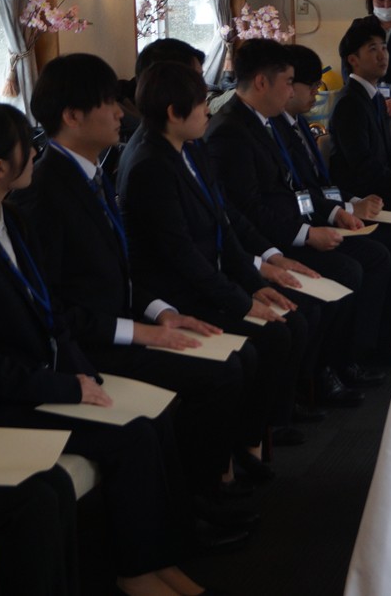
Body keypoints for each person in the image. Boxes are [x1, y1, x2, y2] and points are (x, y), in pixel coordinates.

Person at [0, 102, 214, 596]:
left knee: (143, 426)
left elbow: (49, 311)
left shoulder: (10, 220)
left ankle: (157, 563)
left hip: (32, 381)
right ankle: (138, 574)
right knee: (125, 442)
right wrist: (67, 388)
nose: (35, 154)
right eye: (26, 147)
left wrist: (84, 378)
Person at [14, 53, 251, 503]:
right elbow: (51, 306)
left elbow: (119, 272)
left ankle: (205, 488)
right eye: (108, 103)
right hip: (87, 348)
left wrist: (160, 312)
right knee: (217, 374)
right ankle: (201, 499)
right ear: (72, 116)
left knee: (227, 359)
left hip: (119, 324)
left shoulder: (91, 173)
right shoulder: (44, 193)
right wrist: (138, 332)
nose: (120, 113)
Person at [118, 62, 313, 474]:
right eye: (200, 104)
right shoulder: (150, 166)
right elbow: (181, 255)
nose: (209, 110)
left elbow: (225, 222)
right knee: (265, 339)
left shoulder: (192, 148)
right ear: (174, 112)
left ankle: (249, 441)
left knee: (287, 322)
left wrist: (254, 283)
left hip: (209, 281)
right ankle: (221, 461)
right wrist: (241, 301)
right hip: (177, 296)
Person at [204, 39, 388, 395]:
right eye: (288, 82)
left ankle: (338, 364)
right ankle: (321, 375)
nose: (291, 91)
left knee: (365, 257)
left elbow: (293, 189)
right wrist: (304, 235)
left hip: (287, 229)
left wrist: (332, 213)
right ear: (262, 82)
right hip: (266, 243)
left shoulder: (263, 122)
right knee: (347, 268)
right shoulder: (231, 130)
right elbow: (248, 210)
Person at [279, 43, 391, 357]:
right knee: (375, 256)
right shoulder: (275, 128)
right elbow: (293, 194)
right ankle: (364, 350)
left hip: (326, 211)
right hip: (300, 229)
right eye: (310, 85)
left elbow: (320, 185)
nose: (316, 93)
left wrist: (351, 203)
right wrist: (343, 210)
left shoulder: (298, 122)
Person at [329, 21, 391, 206]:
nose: (382, 55)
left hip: (381, 189)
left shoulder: (376, 98)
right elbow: (362, 164)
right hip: (361, 199)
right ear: (353, 60)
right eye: (373, 49)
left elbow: (387, 153)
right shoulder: (349, 103)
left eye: (384, 48)